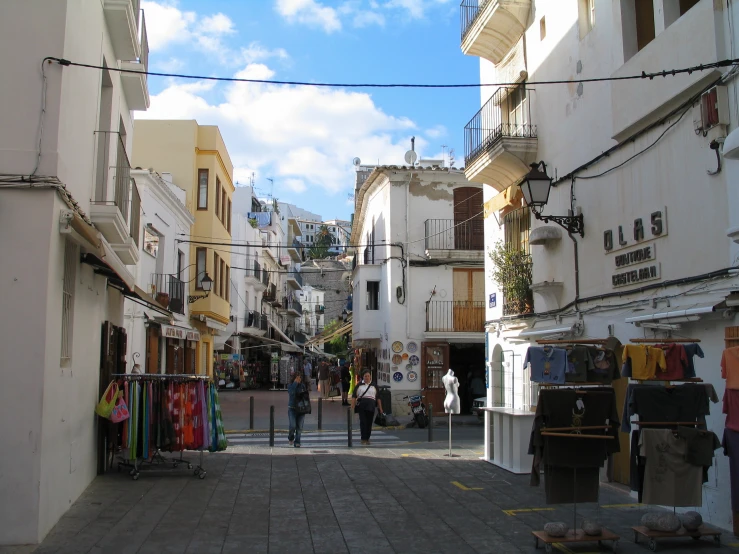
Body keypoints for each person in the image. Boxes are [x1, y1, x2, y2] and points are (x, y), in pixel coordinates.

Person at [351, 370, 384, 445]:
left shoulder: (374, 385)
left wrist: (380, 408)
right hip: (362, 406)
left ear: (370, 377)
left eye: (368, 376)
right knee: (363, 422)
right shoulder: (359, 385)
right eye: (365, 376)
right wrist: (352, 406)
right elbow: (354, 396)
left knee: (369, 423)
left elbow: (378, 397)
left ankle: (367, 438)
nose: (367, 377)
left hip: (371, 406)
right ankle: (363, 438)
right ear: (363, 377)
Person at [287, 372, 307, 447]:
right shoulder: (290, 385)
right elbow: (291, 392)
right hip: (292, 408)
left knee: (299, 427)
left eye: (300, 377)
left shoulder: (302, 386)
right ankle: (291, 437)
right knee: (292, 425)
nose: (299, 379)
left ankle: (297, 441)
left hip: (301, 409)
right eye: (297, 377)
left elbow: (306, 396)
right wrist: (295, 383)